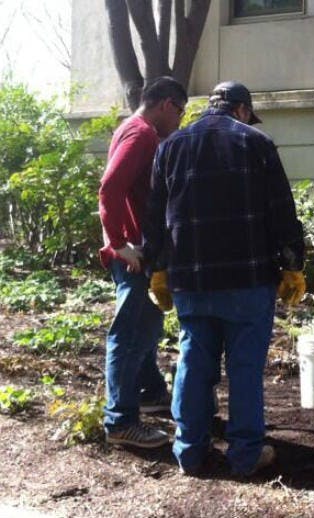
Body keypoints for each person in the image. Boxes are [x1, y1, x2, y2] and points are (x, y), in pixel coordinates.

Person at [143, 80, 305, 476]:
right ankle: (246, 455)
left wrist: (156, 269)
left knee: (194, 363)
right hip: (249, 280)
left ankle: (189, 452)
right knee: (245, 369)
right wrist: (293, 264)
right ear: (243, 110)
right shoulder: (258, 144)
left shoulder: (171, 147)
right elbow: (282, 211)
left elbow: (154, 219)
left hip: (192, 282)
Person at [99, 76, 188, 448]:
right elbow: (110, 187)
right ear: (167, 104)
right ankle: (121, 421)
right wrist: (119, 244)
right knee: (132, 334)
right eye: (180, 112)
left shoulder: (128, 128)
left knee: (146, 330)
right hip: (136, 255)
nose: (180, 121)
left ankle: (150, 393)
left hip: (136, 251)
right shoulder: (142, 135)